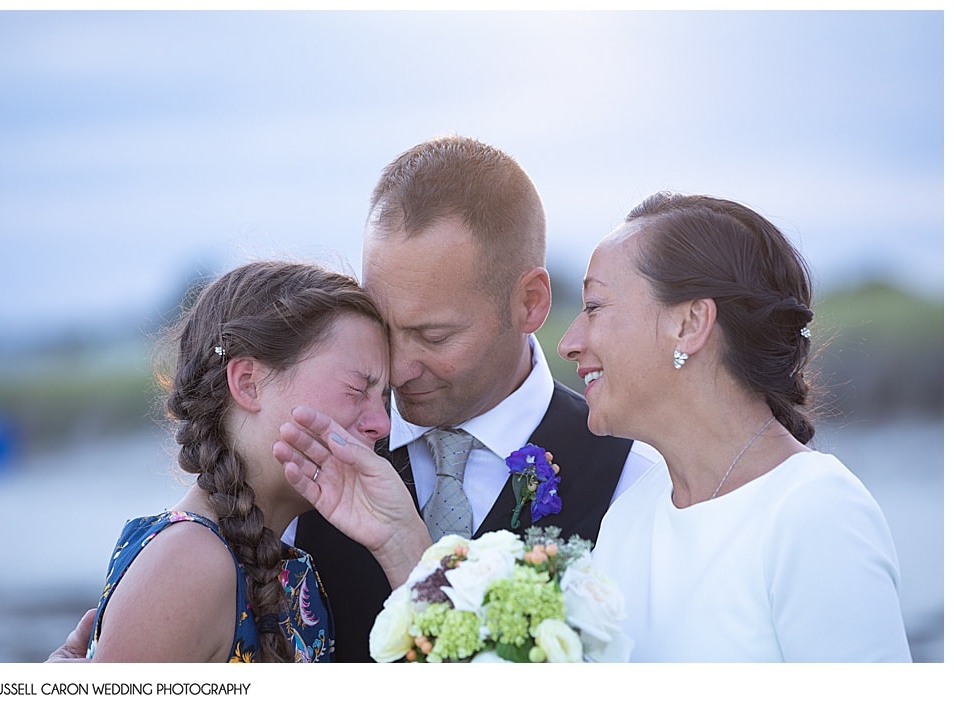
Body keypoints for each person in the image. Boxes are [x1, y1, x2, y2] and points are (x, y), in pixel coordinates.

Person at [274, 191, 911, 662]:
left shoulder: (814, 510)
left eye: (598, 307)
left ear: (688, 324)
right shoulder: (632, 516)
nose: (572, 341)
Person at [287, 135, 657, 661]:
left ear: (530, 304)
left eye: (434, 336)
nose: (398, 367)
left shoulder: (636, 481)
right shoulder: (311, 456)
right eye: (382, 327)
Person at [76, 260, 396, 662]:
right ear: (248, 383)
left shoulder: (285, 563)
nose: (382, 424)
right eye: (356, 389)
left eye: (385, 398)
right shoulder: (186, 564)